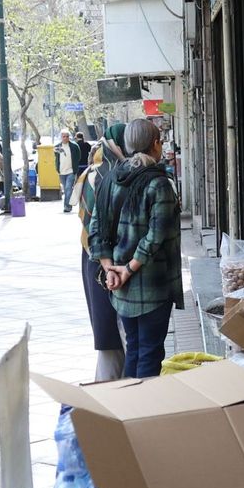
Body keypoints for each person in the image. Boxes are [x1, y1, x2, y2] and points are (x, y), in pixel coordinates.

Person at [88, 118, 182, 379]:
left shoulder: (111, 179)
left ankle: (129, 400)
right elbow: (156, 236)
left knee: (134, 349)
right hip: (152, 285)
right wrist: (128, 269)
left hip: (120, 287)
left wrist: (110, 269)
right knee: (150, 353)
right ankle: (144, 403)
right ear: (156, 144)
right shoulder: (158, 184)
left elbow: (95, 229)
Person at [77, 141, 124, 381]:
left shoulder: (90, 174)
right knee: (112, 335)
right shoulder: (108, 176)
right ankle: (111, 392)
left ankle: (108, 389)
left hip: (92, 255)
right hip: (106, 259)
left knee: (108, 334)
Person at [56, 129, 83, 212]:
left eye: (67, 136)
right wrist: (57, 168)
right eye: (63, 136)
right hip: (61, 172)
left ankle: (67, 207)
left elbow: (78, 157)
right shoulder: (57, 147)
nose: (65, 138)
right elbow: (56, 158)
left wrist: (75, 166)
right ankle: (68, 205)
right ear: (61, 137)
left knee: (68, 188)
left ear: (69, 137)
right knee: (66, 189)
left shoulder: (74, 146)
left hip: (71, 171)